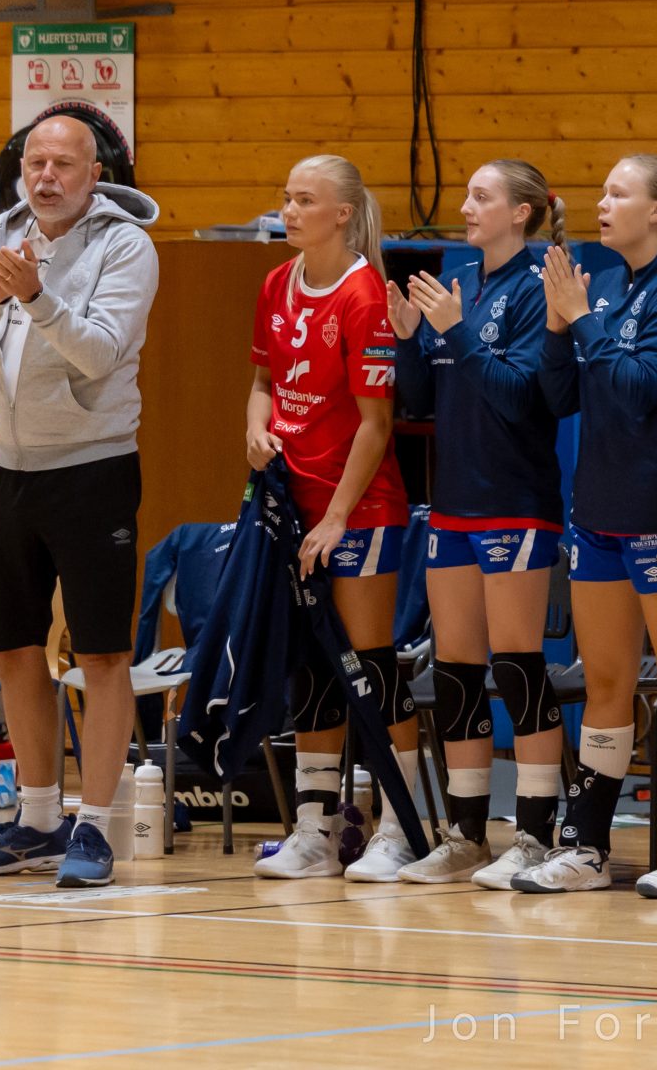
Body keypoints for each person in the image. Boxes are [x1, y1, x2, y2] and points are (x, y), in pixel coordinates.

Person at [0, 115, 160, 888]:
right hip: (11, 467)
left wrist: (34, 296)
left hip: (94, 466)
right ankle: (36, 821)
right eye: (35, 162)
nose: (45, 176)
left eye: (63, 164)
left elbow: (99, 351)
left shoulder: (125, 246)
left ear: (94, 174)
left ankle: (93, 826)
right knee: (11, 648)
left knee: (101, 654)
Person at [508, 154, 657, 895]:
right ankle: (587, 847)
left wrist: (582, 322)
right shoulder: (604, 285)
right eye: (601, 190)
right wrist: (556, 323)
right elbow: (560, 396)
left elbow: (640, 389)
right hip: (598, 511)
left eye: (618, 192)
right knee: (605, 679)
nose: (602, 203)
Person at [388, 160, 569, 887]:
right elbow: (419, 401)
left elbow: (521, 397)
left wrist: (456, 331)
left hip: (515, 500)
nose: (464, 207)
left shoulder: (535, 287)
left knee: (517, 666)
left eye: (480, 197)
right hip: (453, 502)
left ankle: (533, 835)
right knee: (456, 670)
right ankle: (465, 836)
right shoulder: (460, 282)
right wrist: (410, 339)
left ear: (521, 212)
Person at [246, 154, 426, 882]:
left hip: (358, 510)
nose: (288, 211)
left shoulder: (362, 295)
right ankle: (316, 830)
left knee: (369, 663)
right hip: (293, 506)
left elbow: (376, 424)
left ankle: (401, 826)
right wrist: (255, 429)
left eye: (304, 200)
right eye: (285, 197)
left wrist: (338, 517)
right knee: (311, 667)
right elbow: (262, 381)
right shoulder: (275, 284)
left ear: (342, 213)